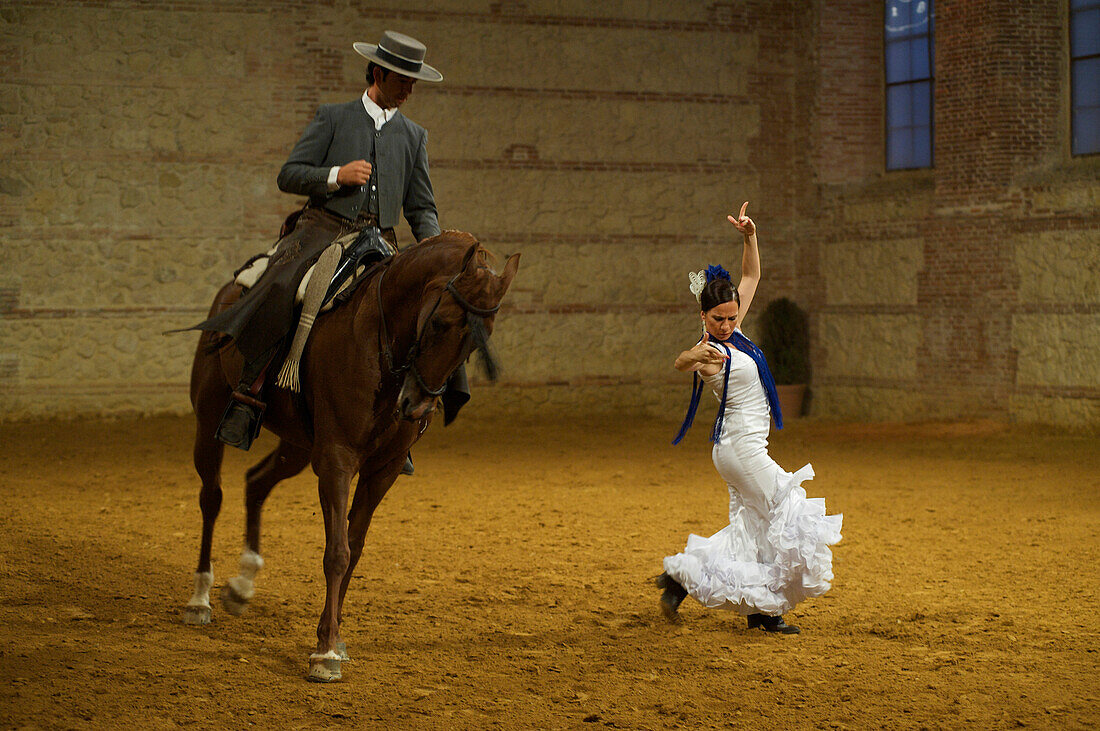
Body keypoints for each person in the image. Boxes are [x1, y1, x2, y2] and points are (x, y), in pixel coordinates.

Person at [192, 31, 467, 458]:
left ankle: (407, 424)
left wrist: (433, 250)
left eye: (414, 83)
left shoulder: (415, 137)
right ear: (378, 73)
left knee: (434, 309)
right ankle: (248, 396)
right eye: (404, 81)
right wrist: (336, 175)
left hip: (382, 240)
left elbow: (421, 206)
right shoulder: (333, 117)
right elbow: (290, 174)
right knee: (281, 289)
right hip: (323, 228)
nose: (411, 90)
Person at [655, 202, 843, 634]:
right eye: (717, 319)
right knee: (786, 508)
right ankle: (742, 598)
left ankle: (742, 602)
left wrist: (749, 236)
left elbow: (752, 276)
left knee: (754, 529)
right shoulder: (714, 351)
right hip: (740, 450)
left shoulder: (735, 332)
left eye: (731, 317)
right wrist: (693, 355)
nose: (725, 324)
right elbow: (682, 362)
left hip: (738, 449)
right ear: (703, 316)